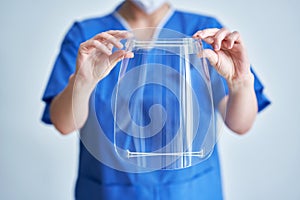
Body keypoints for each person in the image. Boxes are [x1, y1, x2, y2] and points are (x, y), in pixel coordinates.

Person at [41, 0, 270, 199]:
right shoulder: (88, 35)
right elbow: (64, 124)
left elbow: (240, 124)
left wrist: (240, 82)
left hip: (190, 191)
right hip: (111, 192)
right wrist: (83, 81)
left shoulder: (203, 32)